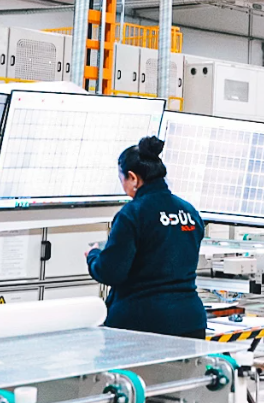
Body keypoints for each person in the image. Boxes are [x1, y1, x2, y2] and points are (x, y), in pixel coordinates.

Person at [85, 135, 208, 339]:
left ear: (133, 178)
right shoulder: (189, 211)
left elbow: (111, 272)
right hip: (190, 321)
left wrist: (93, 256)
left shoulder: (132, 214)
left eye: (121, 179)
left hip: (144, 323)